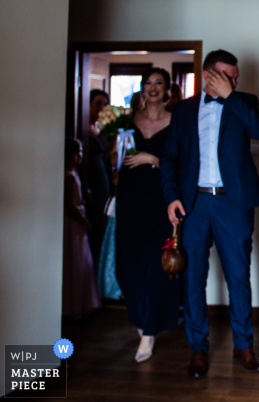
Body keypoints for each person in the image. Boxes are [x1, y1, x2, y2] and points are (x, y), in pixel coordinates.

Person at [160, 49, 259, 378]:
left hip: (232, 204)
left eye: (236, 77)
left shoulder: (244, 101)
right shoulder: (182, 110)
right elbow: (169, 159)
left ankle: (244, 345)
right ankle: (197, 348)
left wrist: (230, 95)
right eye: (227, 76)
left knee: (238, 277)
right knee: (192, 279)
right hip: (193, 205)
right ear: (209, 75)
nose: (234, 81)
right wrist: (171, 198)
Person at [114, 68, 180, 363]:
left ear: (167, 89)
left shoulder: (176, 121)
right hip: (129, 201)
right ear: (141, 88)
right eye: (147, 83)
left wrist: (151, 159)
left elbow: (185, 162)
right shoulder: (125, 122)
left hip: (160, 202)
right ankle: (139, 318)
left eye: (158, 83)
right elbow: (114, 161)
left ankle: (150, 331)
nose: (152, 88)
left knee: (157, 266)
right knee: (130, 265)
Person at [63, 138, 101, 317]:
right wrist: (84, 221)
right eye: (79, 152)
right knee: (76, 261)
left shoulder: (74, 174)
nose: (81, 156)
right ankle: (72, 306)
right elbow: (70, 204)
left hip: (77, 221)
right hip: (74, 224)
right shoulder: (69, 176)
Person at [86, 90, 111, 269]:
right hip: (88, 177)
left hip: (102, 175)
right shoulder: (80, 124)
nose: (101, 107)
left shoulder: (103, 127)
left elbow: (106, 154)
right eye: (97, 103)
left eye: (104, 104)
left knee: (103, 218)